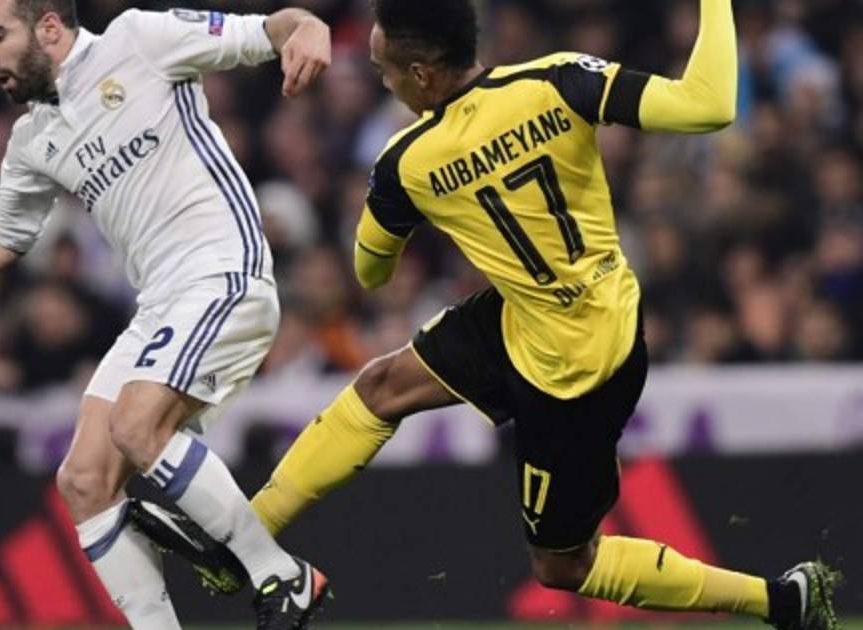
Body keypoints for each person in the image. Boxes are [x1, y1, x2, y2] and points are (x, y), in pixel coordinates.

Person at [161, 1, 842, 628]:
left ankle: (779, 600)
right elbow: (708, 104)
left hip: (577, 374)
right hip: (551, 316)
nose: (384, 84)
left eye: (385, 71)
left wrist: (400, 210)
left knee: (562, 566)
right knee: (381, 387)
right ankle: (239, 540)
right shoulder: (556, 81)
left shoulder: (407, 161)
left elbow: (370, 272)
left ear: (422, 75)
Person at [0, 0, 333, 627]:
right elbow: (3, 234)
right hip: (159, 306)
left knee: (136, 425)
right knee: (83, 480)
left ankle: (278, 574)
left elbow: (267, 31)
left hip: (223, 272)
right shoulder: (33, 139)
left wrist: (308, 26)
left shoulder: (140, 40)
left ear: (48, 26)